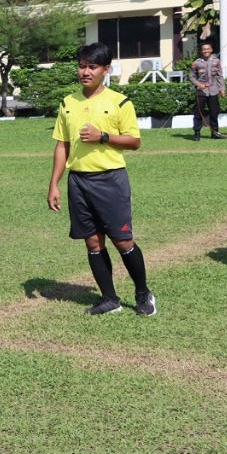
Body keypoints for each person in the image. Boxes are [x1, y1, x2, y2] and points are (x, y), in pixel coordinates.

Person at [48, 42, 156, 317]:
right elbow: (62, 145)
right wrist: (54, 184)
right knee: (93, 243)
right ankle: (110, 299)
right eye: (82, 66)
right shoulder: (68, 103)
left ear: (105, 70)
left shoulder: (119, 102)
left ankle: (144, 294)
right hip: (78, 182)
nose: (85, 72)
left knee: (123, 241)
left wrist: (103, 137)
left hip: (110, 180)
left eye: (92, 67)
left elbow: (134, 142)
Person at [190, 41, 227, 141]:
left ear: (211, 50)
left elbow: (220, 76)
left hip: (213, 91)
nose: (206, 51)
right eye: (204, 49)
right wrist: (198, 84)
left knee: (214, 112)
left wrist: (222, 89)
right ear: (201, 51)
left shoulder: (216, 61)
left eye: (208, 49)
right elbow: (192, 77)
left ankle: (214, 132)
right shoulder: (196, 63)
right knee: (199, 113)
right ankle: (197, 133)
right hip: (201, 92)